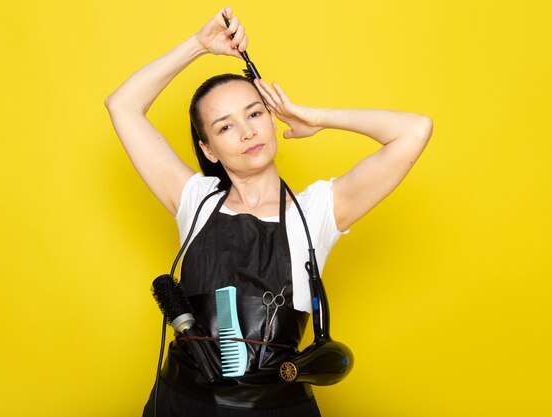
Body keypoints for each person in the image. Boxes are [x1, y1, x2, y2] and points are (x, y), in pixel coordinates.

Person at [105, 6, 433, 417]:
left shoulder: (317, 211)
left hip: (275, 409)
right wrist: (198, 46)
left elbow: (414, 130)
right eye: (225, 126)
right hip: (180, 404)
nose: (247, 132)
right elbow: (122, 105)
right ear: (207, 149)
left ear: (271, 117)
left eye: (255, 113)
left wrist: (316, 119)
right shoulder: (193, 197)